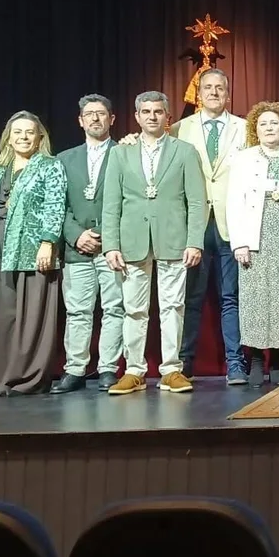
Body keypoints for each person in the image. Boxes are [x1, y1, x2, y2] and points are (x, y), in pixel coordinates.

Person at [102, 91, 206, 395]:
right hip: (132, 241)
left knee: (173, 306)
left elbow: (196, 202)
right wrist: (111, 245)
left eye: (158, 112)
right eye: (146, 112)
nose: (152, 116)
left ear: (167, 117)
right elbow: (111, 204)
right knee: (133, 309)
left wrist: (194, 241)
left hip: (173, 239)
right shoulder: (120, 154)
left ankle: (172, 369)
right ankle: (134, 370)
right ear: (137, 117)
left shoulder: (185, 151)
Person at [0, 112, 66, 395]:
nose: (23, 137)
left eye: (30, 132)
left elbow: (55, 204)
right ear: (8, 137)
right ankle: (0, 378)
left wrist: (48, 242)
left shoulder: (50, 165)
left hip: (34, 249)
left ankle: (28, 378)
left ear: (39, 137)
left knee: (33, 316)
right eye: (17, 132)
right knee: (3, 315)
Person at [173, 68, 247, 384]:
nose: (214, 92)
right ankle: (183, 363)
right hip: (194, 224)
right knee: (191, 298)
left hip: (233, 224)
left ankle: (235, 364)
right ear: (198, 93)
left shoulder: (245, 128)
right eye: (208, 87)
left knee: (231, 297)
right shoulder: (178, 128)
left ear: (228, 94)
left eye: (219, 88)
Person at [53, 95, 124, 394]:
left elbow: (131, 202)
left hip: (113, 247)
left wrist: (106, 235)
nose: (95, 118)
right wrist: (76, 235)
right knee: (78, 311)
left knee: (115, 308)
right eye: (89, 114)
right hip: (76, 248)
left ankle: (108, 368)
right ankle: (75, 369)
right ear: (80, 121)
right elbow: (57, 204)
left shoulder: (125, 154)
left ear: (112, 119)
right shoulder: (63, 159)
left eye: (101, 113)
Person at [228, 101, 279, 384]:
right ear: (255, 130)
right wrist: (240, 243)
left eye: (274, 123)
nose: (269, 128)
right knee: (256, 299)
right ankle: (257, 359)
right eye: (263, 124)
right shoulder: (245, 159)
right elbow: (234, 202)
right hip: (255, 237)